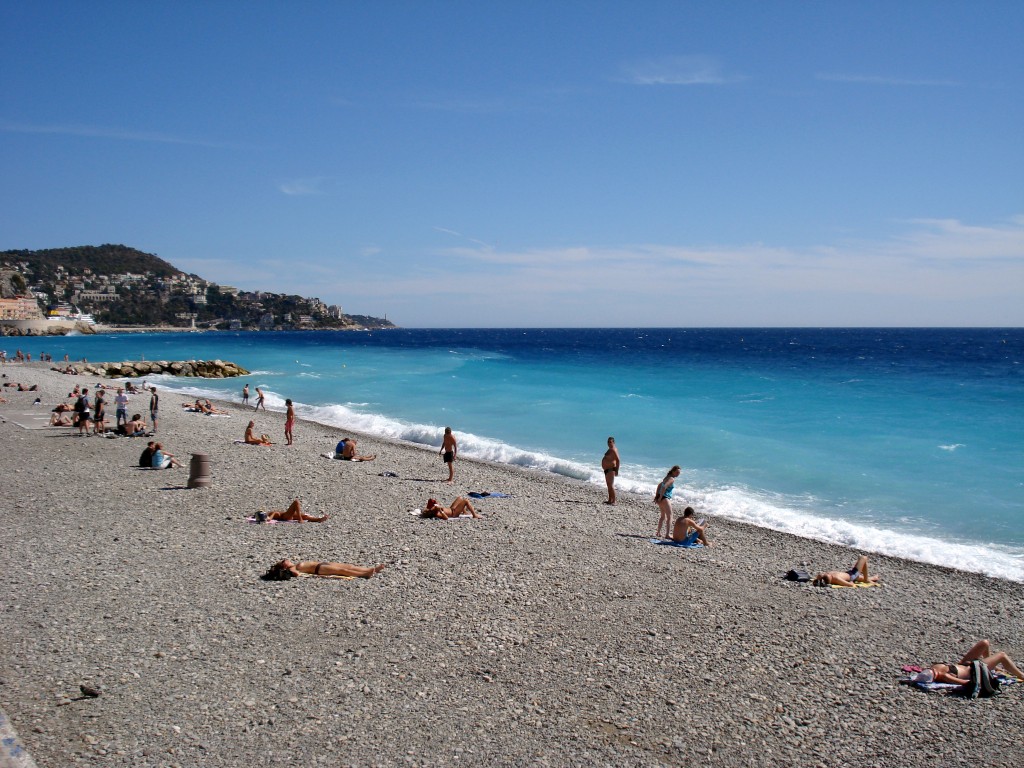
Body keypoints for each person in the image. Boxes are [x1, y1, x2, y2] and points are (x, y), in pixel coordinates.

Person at [915, 640, 1024, 685]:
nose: (934, 670)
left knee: (984, 643)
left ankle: (992, 666)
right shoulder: (944, 676)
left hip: (963, 664)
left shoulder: (934, 668)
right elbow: (966, 683)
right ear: (934, 677)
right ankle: (1021, 675)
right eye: (933, 673)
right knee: (1002, 655)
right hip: (975, 670)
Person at [261, 559, 386, 580]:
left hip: (322, 564)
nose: (287, 560)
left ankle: (371, 569)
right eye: (284, 561)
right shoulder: (293, 568)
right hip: (319, 568)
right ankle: (365, 574)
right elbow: (296, 574)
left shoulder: (295, 565)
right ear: (284, 566)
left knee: (348, 566)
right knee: (343, 571)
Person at [813, 555, 880, 587]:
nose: (827, 573)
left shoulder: (825, 577)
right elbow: (850, 585)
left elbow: (819, 576)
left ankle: (873, 578)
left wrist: (819, 579)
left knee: (860, 577)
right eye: (828, 574)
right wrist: (851, 582)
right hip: (852, 575)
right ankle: (866, 580)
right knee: (863, 558)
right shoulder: (836, 579)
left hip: (849, 574)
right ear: (830, 577)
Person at [654, 465, 681, 539]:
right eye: (677, 472)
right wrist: (660, 497)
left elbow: (659, 485)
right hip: (665, 498)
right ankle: (667, 534)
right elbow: (664, 487)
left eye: (679, 473)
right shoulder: (671, 479)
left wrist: (657, 496)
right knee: (670, 516)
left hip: (661, 498)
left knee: (662, 516)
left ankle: (658, 532)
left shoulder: (667, 477)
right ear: (673, 471)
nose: (678, 474)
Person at [257, 499, 328, 523]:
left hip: (287, 516)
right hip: (285, 516)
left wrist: (269, 518)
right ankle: (300, 519)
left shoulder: (270, 513)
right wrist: (269, 518)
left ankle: (319, 519)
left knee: (305, 516)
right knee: (296, 502)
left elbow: (272, 516)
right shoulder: (271, 513)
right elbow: (273, 515)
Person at [602, 436, 620, 505]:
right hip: (607, 469)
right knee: (608, 485)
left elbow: (618, 460)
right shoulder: (610, 449)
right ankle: (610, 500)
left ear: (613, 442)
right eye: (608, 442)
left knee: (611, 485)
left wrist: (617, 470)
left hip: (611, 469)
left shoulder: (613, 449)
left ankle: (614, 501)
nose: (609, 443)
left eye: (610, 442)